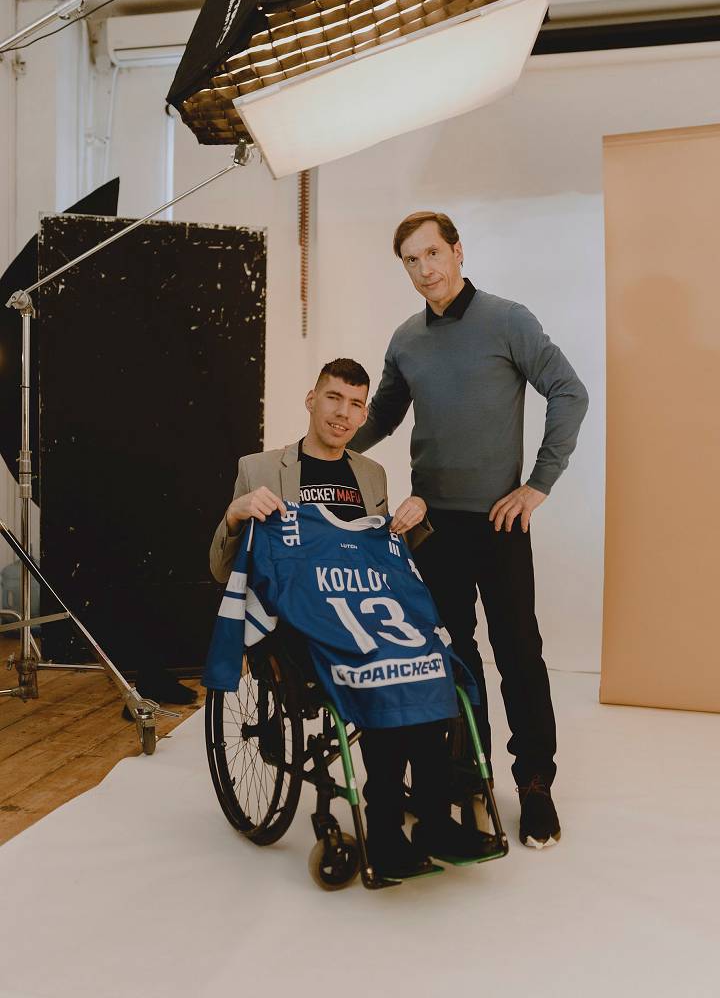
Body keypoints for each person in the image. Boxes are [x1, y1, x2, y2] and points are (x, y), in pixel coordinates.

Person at [351, 213, 589, 849]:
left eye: (433, 253)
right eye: (411, 260)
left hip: (499, 520)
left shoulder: (508, 320)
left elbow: (569, 391)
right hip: (430, 526)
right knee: (451, 656)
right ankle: (467, 776)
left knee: (519, 654)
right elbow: (383, 416)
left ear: (457, 251)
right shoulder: (406, 339)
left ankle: (534, 784)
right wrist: (321, 448)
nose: (424, 269)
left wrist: (538, 483)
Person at [209, 357, 490, 878]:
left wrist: (413, 520)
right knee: (376, 668)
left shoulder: (370, 474)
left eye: (356, 404)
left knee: (427, 660)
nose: (343, 413)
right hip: (298, 619)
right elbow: (224, 568)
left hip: (362, 608)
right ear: (312, 399)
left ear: (364, 416)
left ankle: (433, 819)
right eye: (334, 398)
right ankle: (383, 830)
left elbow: (382, 561)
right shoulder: (260, 469)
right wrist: (235, 513)